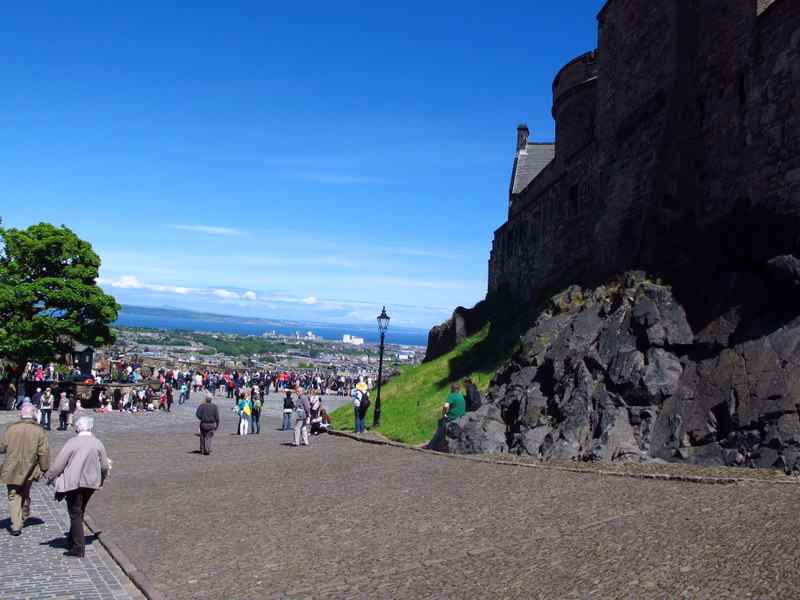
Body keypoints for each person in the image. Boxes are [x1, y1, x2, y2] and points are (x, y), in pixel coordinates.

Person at [44, 416, 109, 557]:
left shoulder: (72, 442)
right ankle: (72, 540)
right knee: (79, 511)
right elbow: (104, 466)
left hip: (74, 482)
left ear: (77, 429)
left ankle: (78, 548)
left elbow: (59, 464)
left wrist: (49, 478)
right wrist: (102, 481)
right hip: (91, 483)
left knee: (75, 513)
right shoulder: (97, 443)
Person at [0, 404, 50, 536]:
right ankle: (19, 521)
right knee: (23, 493)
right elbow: (43, 453)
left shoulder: (11, 429)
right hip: (30, 468)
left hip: (11, 467)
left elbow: (1, 447)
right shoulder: (39, 431)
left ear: (21, 415)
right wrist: (44, 469)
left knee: (13, 494)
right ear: (34, 416)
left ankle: (19, 520)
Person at [424, 382, 466, 451]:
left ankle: (431, 445)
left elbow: (445, 406)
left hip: (451, 417)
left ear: (452, 389)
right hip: (460, 417)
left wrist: (443, 414)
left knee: (440, 427)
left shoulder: (452, 396)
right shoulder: (461, 396)